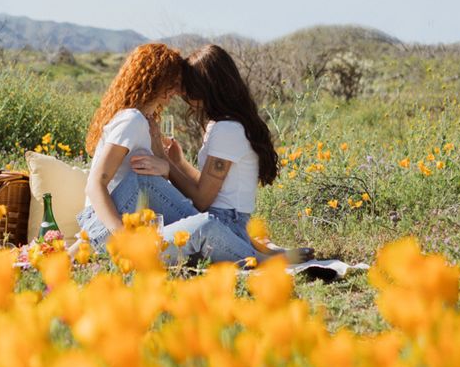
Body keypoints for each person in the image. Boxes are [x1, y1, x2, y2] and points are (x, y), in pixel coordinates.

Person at [78, 42, 260, 262]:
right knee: (147, 183)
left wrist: (169, 163)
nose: (178, 91)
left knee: (199, 223)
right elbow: (95, 184)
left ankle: (250, 251)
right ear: (155, 79)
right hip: (105, 221)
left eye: (178, 83)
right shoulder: (132, 120)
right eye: (172, 82)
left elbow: (181, 191)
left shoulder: (146, 123)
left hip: (123, 218)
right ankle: (258, 257)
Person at [161, 43, 310, 263]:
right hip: (223, 219)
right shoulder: (220, 125)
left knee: (171, 233)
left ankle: (261, 257)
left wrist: (168, 167)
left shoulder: (228, 130)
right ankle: (263, 252)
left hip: (225, 224)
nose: (183, 94)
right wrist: (179, 162)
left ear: (207, 88)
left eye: (188, 87)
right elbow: (208, 186)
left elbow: (202, 199)